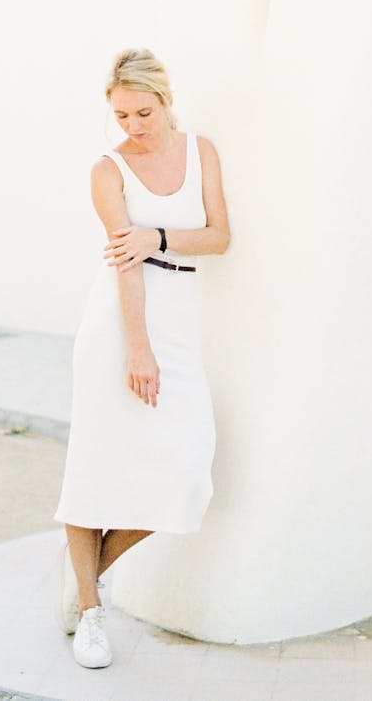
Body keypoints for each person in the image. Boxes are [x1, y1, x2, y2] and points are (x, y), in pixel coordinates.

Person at [52, 47, 230, 668]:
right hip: (118, 327)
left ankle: (82, 580)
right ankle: (91, 615)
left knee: (187, 470)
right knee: (94, 468)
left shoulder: (200, 150)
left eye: (143, 112)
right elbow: (125, 266)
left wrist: (157, 235)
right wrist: (138, 349)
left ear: (166, 99)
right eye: (122, 115)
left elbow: (219, 237)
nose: (133, 126)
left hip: (179, 320)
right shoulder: (108, 169)